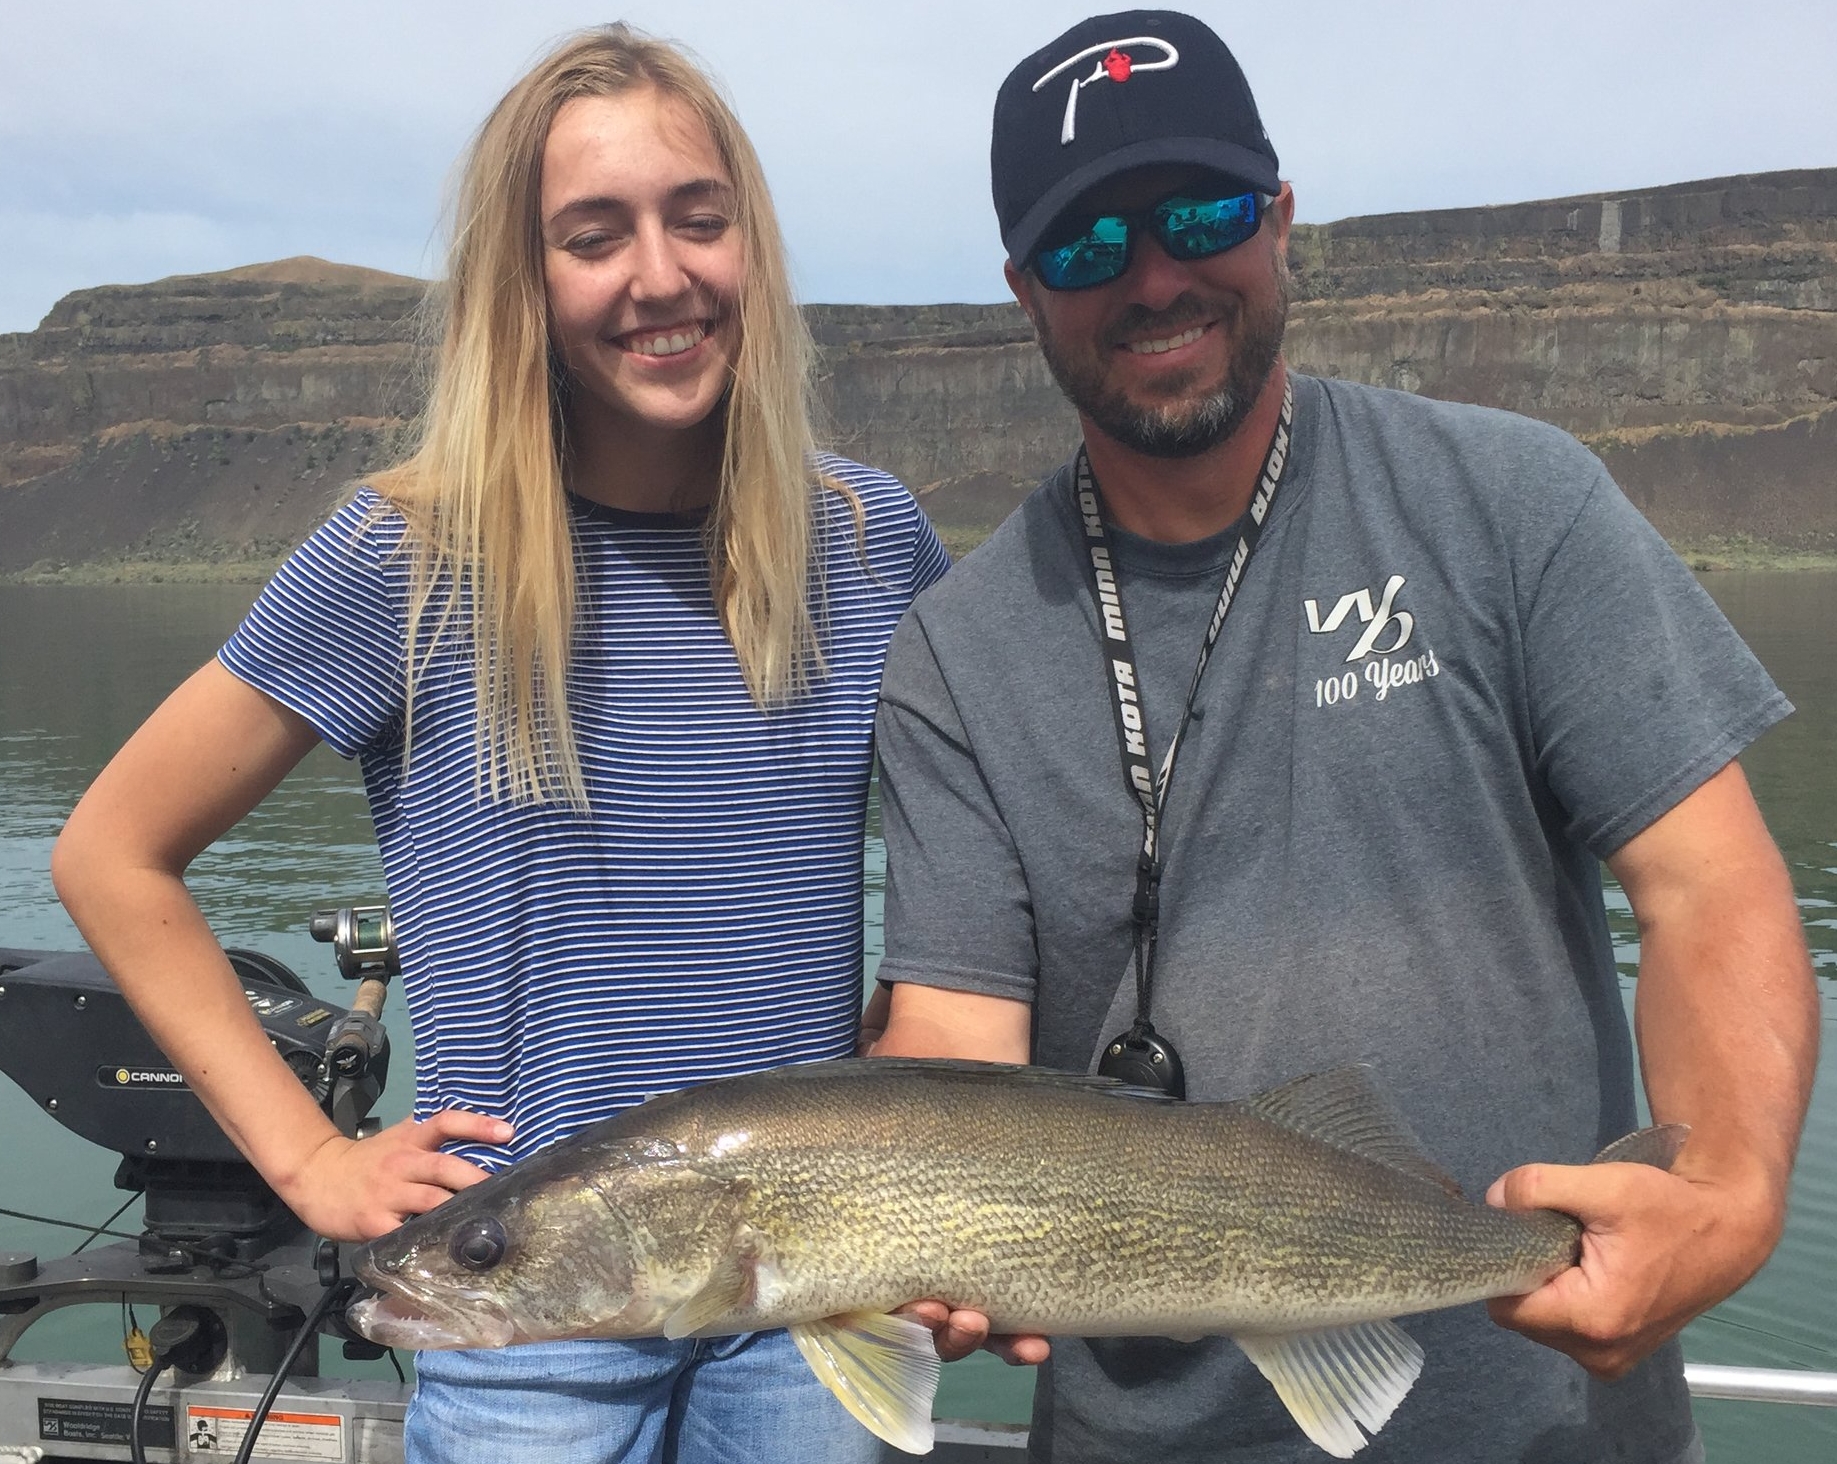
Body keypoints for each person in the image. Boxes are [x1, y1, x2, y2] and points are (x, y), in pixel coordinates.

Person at [867, 11, 1819, 1462]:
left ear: (1281, 219)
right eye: (1085, 249)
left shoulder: (1513, 502)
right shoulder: (954, 650)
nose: (1154, 277)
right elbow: (952, 1035)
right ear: (1023, 293)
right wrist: (885, 1230)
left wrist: (1735, 1194)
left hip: (1546, 1421)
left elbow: (1708, 887)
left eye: (1199, 216)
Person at [52, 24, 947, 1464]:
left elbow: (988, 848)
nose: (659, 274)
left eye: (695, 218)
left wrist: (909, 1030)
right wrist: (308, 1159)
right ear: (523, 283)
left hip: (807, 1295)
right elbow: (110, 854)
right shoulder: (407, 557)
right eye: (594, 236)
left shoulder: (865, 537)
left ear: (750, 247)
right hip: (526, 1314)